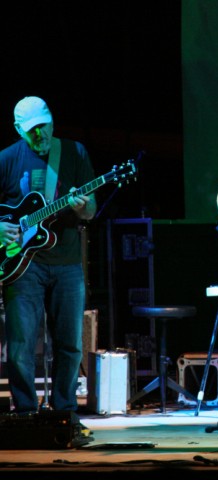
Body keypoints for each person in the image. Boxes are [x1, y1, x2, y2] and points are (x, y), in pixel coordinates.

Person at [0, 96, 97, 414]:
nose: (39, 135)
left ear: (52, 121)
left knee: (70, 345)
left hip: (67, 263)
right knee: (20, 347)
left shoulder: (73, 152)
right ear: (18, 130)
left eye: (43, 127)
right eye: (31, 131)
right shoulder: (7, 159)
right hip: (21, 267)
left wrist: (83, 209)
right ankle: (26, 412)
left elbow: (92, 209)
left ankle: (64, 411)